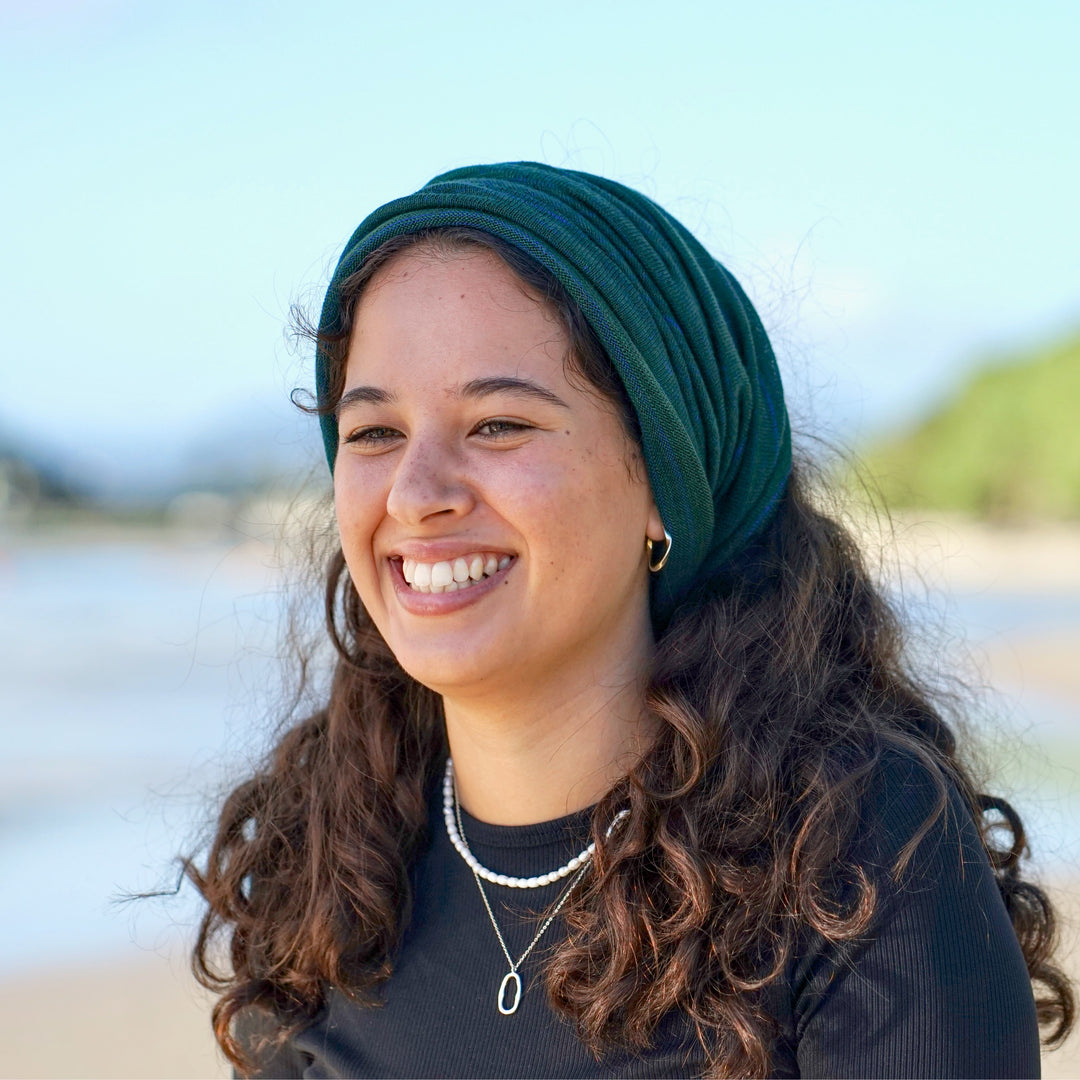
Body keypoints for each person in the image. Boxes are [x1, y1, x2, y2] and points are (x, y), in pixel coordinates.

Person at [187, 162, 1074, 1078]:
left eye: (498, 424)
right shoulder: (322, 876)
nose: (415, 495)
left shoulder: (857, 854)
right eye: (374, 433)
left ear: (662, 478)